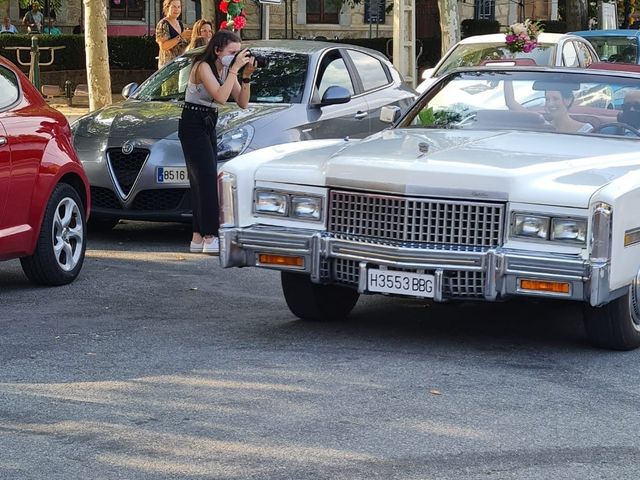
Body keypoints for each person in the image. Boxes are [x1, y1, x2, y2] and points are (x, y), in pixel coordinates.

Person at [179, 30, 256, 254]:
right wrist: (234, 69)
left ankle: (197, 237)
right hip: (192, 121)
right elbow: (221, 97)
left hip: (208, 121)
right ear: (217, 50)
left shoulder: (226, 71)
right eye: (232, 52)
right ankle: (210, 235)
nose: (236, 56)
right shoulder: (203, 67)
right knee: (204, 179)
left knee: (204, 177)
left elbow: (242, 102)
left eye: (237, 52)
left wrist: (246, 75)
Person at [504, 80, 593, 134]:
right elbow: (511, 103)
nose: (550, 104)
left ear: (568, 100)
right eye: (547, 99)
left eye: (555, 99)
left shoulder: (586, 130)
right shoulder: (543, 125)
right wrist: (507, 76)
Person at [155, 0, 192, 69]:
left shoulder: (180, 24)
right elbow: (163, 46)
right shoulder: (163, 24)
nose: (177, 10)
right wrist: (181, 37)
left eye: (179, 7)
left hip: (180, 64)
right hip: (168, 66)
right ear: (167, 8)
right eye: (174, 7)